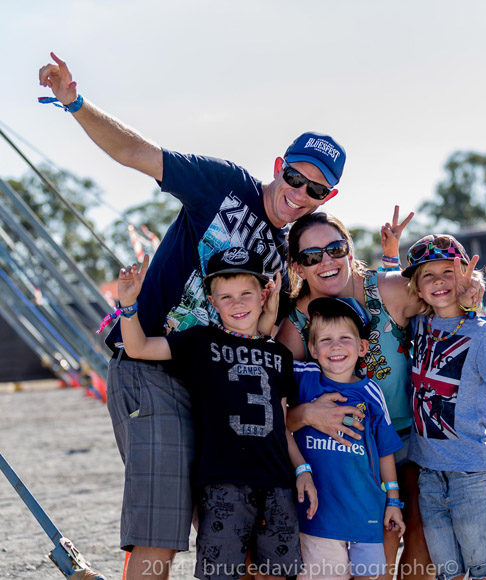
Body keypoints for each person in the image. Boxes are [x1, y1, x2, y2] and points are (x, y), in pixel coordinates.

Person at [39, 52, 344, 580]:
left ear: (328, 196)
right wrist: (75, 102)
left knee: (229, 530)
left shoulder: (282, 256)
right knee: (162, 528)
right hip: (154, 366)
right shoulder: (224, 185)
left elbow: (288, 324)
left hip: (214, 393)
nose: (300, 194)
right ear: (280, 167)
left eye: (316, 190)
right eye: (295, 177)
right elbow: (138, 152)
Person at [278, 210, 483, 580]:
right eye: (312, 256)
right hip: (345, 453)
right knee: (379, 550)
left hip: (410, 443)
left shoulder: (387, 289)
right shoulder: (294, 325)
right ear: (297, 267)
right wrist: (306, 414)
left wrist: (468, 296)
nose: (327, 261)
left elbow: (445, 300)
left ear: (349, 248)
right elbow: (277, 410)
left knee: (422, 540)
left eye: (336, 248)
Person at [117, 247, 317, 580]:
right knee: (222, 574)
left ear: (264, 293)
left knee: (277, 574)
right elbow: (138, 348)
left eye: (245, 294)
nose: (237, 303)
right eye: (225, 297)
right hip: (222, 485)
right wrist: (128, 305)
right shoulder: (199, 342)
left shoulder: (279, 354)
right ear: (211, 301)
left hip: (277, 482)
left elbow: (282, 425)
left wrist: (303, 469)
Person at [404, 234, 486, 580]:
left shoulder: (482, 334)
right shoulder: (418, 325)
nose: (438, 280)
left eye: (448, 271)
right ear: (418, 290)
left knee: (483, 569)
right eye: (428, 275)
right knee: (447, 570)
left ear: (468, 278)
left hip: (470, 472)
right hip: (428, 473)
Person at [292, 296, 405, 580]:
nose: (336, 346)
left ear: (362, 347)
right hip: (318, 520)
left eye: (345, 337)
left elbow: (385, 451)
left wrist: (393, 501)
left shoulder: (372, 393)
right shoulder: (302, 378)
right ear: (312, 349)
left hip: (366, 515)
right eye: (325, 339)